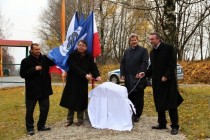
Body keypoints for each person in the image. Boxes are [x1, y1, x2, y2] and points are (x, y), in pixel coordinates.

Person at [144, 33, 183, 135]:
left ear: (158, 39)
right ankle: (162, 123)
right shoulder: (152, 52)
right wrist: (144, 74)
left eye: (152, 39)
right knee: (159, 102)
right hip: (157, 83)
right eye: (150, 40)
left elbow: (172, 63)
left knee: (171, 104)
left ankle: (175, 126)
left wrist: (166, 75)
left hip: (169, 82)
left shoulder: (169, 48)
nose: (150, 41)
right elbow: (152, 67)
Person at [60, 40, 101, 126]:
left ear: (86, 47)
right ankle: (69, 120)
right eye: (79, 45)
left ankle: (80, 119)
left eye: (83, 45)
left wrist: (97, 75)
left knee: (81, 100)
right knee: (71, 99)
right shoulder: (72, 55)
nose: (81, 47)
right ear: (77, 46)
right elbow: (74, 67)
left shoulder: (89, 56)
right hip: (72, 80)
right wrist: (85, 74)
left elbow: (93, 67)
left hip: (82, 82)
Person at [20, 43, 55, 136]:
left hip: (44, 89)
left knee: (45, 108)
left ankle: (41, 125)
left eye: (39, 49)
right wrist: (34, 69)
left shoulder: (44, 58)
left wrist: (61, 53)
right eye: (36, 49)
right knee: (30, 110)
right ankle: (30, 128)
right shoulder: (25, 61)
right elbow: (22, 74)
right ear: (31, 50)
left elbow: (55, 62)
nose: (38, 51)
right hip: (32, 90)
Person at [120, 33, 149, 122]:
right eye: (132, 40)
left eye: (135, 40)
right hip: (128, 78)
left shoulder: (143, 50)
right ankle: (131, 113)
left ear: (138, 40)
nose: (134, 42)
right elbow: (123, 63)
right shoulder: (127, 51)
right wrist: (122, 74)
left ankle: (137, 115)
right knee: (129, 96)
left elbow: (145, 63)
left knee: (138, 97)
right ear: (130, 41)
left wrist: (140, 72)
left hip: (138, 78)